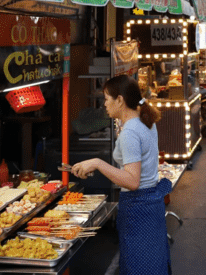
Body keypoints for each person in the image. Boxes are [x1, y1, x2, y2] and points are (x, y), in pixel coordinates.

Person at [71, 75, 171, 275]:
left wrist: (97, 163)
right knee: (153, 264)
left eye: (107, 99)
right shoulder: (145, 120)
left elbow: (132, 181)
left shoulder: (131, 132)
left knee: (139, 267)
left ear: (120, 100)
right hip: (152, 206)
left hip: (138, 208)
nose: (105, 104)